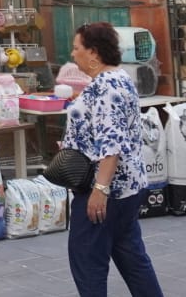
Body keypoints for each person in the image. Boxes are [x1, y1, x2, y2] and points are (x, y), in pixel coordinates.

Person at [63, 23, 164, 297]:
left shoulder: (106, 87)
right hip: (128, 188)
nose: (73, 54)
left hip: (107, 191)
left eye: (76, 48)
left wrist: (100, 190)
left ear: (93, 53)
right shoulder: (119, 78)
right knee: (133, 260)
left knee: (88, 263)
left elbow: (112, 141)